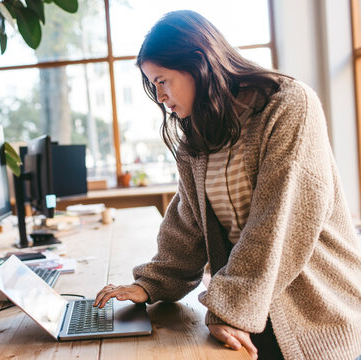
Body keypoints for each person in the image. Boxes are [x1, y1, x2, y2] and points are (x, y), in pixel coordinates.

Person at [93, 10, 361, 360]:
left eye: (162, 80)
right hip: (252, 316)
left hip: (316, 319)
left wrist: (228, 308)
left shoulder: (288, 104)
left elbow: (278, 222)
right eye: (153, 84)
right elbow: (188, 225)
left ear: (198, 62)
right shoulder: (198, 134)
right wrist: (149, 284)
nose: (159, 96)